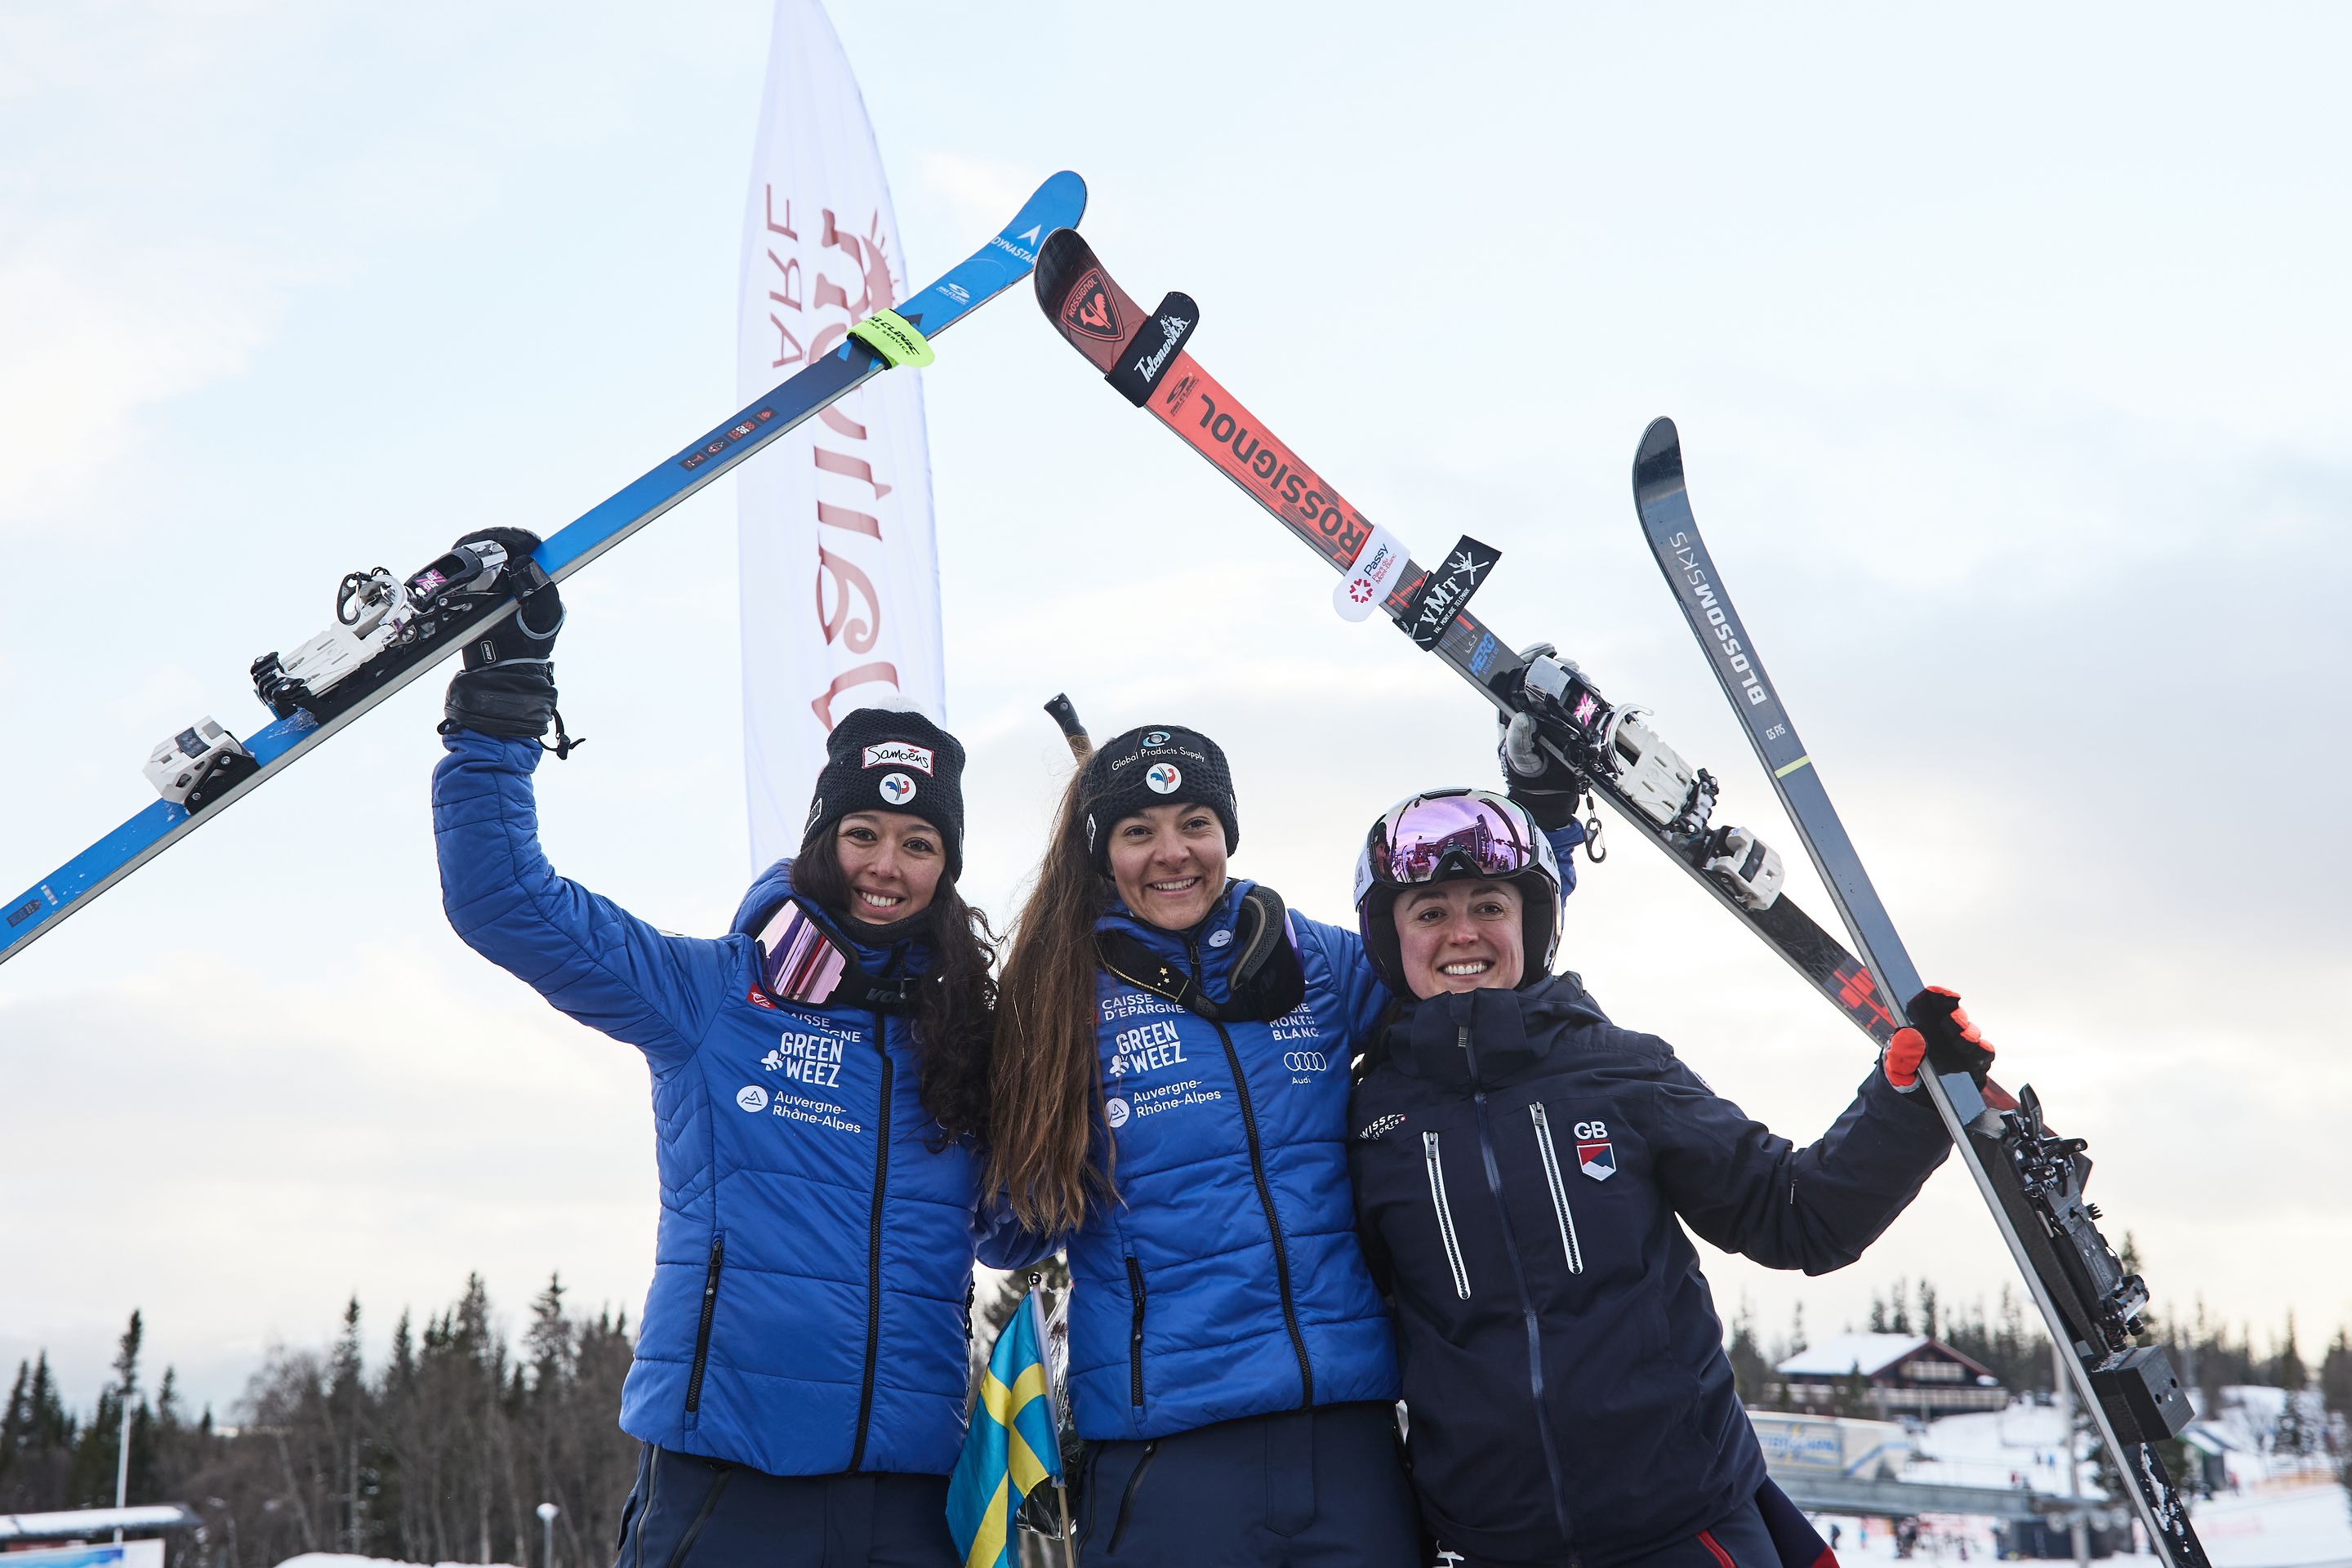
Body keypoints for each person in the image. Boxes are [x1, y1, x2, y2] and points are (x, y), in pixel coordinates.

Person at [429, 528, 1005, 1568]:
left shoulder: (967, 1042)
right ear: (823, 843)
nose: (888, 865)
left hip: (910, 1492)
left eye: (920, 845)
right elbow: (505, 901)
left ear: (945, 870)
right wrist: (503, 707)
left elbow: (1016, 1232)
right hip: (728, 1479)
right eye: (863, 835)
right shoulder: (713, 997)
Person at [1346, 770, 1995, 1568]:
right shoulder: (1369, 1120)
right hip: (1491, 1545)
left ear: (1532, 920)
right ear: (1389, 935)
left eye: (1490, 905)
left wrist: (1906, 1102)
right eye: (1430, 913)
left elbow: (1798, 1216)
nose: (1464, 933)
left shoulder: (1620, 1071)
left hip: (1684, 1526)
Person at [988, 724, 1567, 1567]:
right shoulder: (1060, 999)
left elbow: (1468, 960)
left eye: (1195, 822)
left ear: (1228, 832)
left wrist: (1544, 823)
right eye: (1138, 831)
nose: (1172, 853)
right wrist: (1020, 1110)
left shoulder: (1314, 961)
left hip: (1348, 1438)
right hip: (1170, 1450)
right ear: (1101, 853)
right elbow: (1008, 1230)